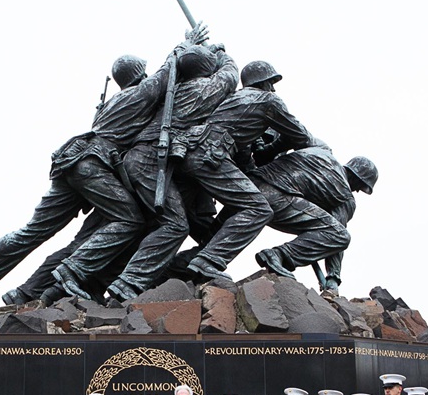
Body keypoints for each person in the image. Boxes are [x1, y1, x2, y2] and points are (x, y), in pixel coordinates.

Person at [0, 26, 208, 312]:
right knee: (130, 220)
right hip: (91, 165)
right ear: (139, 73)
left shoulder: (111, 103)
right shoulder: (140, 94)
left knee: (33, 231)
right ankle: (72, 271)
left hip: (71, 162)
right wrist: (186, 45)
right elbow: (167, 73)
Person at [106, 44, 240, 302]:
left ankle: (162, 272)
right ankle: (128, 282)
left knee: (183, 223)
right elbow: (230, 76)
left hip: (146, 160)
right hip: (149, 160)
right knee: (176, 225)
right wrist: (221, 52)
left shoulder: (170, 91)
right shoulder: (203, 90)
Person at [173, 59, 316, 282]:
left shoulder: (233, 100)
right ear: (263, 82)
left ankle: (172, 266)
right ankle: (207, 261)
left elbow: (242, 153)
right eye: (271, 82)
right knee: (259, 209)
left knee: (177, 222)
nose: (274, 88)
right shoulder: (268, 100)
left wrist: (252, 171)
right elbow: (301, 136)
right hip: (210, 155)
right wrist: (276, 148)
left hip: (190, 153)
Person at [248, 142, 377, 291]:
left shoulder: (320, 155)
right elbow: (336, 234)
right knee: (340, 236)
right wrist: (333, 278)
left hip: (250, 185)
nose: (358, 191)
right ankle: (279, 255)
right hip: (278, 200)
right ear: (357, 179)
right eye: (361, 186)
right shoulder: (345, 194)